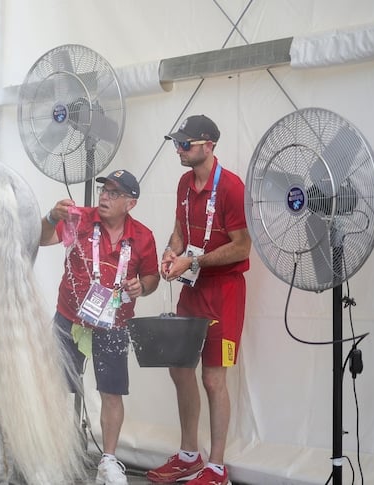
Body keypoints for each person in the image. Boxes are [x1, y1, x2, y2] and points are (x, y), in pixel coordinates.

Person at [148, 115, 250, 485]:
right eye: (176, 142)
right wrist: (170, 254)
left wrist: (195, 261)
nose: (178, 148)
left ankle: (217, 467)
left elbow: (242, 247)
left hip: (223, 294)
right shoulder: (183, 183)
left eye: (185, 143)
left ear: (209, 145)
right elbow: (179, 231)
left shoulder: (232, 188)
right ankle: (189, 455)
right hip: (191, 289)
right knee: (179, 369)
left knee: (213, 379)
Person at [40, 169, 159, 485]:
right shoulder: (79, 219)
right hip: (70, 316)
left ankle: (108, 461)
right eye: (104, 190)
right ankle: (52, 455)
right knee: (55, 388)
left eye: (114, 193)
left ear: (130, 204)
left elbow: (152, 278)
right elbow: (42, 238)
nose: (105, 196)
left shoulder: (143, 237)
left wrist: (141, 288)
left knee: (112, 391)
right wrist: (52, 216)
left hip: (113, 323)